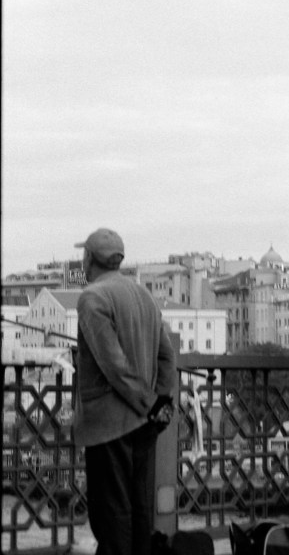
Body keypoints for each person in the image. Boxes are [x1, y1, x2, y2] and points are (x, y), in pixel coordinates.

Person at [73, 228, 177, 555]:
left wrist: (148, 404)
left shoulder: (93, 297)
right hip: (143, 423)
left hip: (108, 424)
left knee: (112, 512)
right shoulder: (144, 295)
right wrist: (160, 403)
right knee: (138, 507)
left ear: (88, 258)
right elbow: (166, 356)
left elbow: (113, 364)